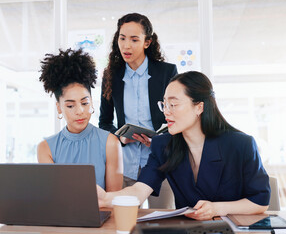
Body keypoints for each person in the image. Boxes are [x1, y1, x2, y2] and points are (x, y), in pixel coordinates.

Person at [97, 71, 271, 220]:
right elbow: (138, 191)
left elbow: (260, 201)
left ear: (199, 107)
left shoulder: (241, 145)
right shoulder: (163, 145)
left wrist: (217, 208)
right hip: (189, 229)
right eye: (164, 104)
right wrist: (105, 199)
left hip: (231, 227)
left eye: (173, 104)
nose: (166, 111)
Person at [99, 13, 177, 187]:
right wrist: (120, 137)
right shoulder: (111, 75)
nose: (126, 46)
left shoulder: (167, 72)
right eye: (122, 38)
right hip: (125, 166)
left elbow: (178, 117)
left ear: (147, 42)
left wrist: (157, 140)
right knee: (124, 212)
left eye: (134, 40)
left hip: (161, 162)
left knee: (163, 214)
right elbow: (104, 122)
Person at [37, 48, 123, 192]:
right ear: (59, 108)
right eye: (70, 105)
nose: (80, 111)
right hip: (61, 214)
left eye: (84, 103)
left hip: (101, 214)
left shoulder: (110, 143)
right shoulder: (46, 148)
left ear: (92, 103)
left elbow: (112, 200)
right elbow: (53, 196)